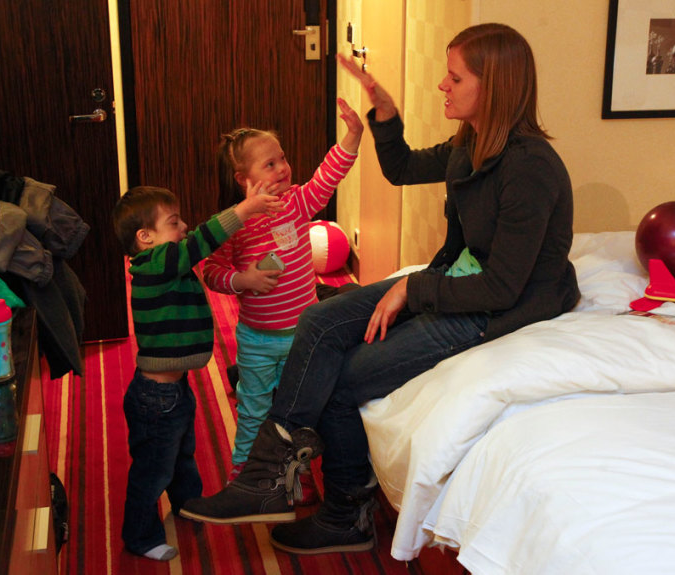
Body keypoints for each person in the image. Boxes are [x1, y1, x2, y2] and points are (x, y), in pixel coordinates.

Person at [180, 22, 580, 555]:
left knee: (342, 378)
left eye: (454, 77)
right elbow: (403, 167)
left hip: (496, 307)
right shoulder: (472, 143)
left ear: (495, 87)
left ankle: (348, 514)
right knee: (319, 321)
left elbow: (504, 286)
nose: (442, 85)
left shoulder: (530, 168)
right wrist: (384, 114)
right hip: (456, 280)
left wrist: (412, 289)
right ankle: (267, 477)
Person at [201, 98, 363, 502]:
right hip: (257, 339)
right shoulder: (235, 224)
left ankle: (295, 472)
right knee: (255, 408)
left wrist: (353, 136)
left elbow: (328, 175)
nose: (282, 168)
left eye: (282, 158)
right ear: (244, 179)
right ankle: (246, 472)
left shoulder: (297, 203)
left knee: (297, 409)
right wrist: (244, 278)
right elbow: (211, 272)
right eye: (269, 164)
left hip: (303, 336)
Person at [112, 184, 282, 561]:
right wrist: (246, 208)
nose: (184, 226)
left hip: (174, 391)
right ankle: (139, 536)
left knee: (180, 456)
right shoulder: (156, 264)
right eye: (174, 222)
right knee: (152, 471)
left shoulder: (165, 263)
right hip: (156, 397)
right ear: (146, 238)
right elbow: (202, 241)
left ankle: (188, 503)